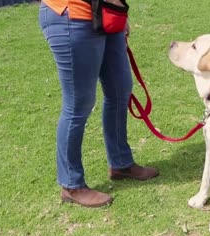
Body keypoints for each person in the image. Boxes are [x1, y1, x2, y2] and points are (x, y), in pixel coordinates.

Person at [38, 0, 159, 208]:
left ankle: (121, 163)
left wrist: (120, 13)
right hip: (72, 15)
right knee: (78, 104)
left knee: (120, 89)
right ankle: (71, 185)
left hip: (106, 13)